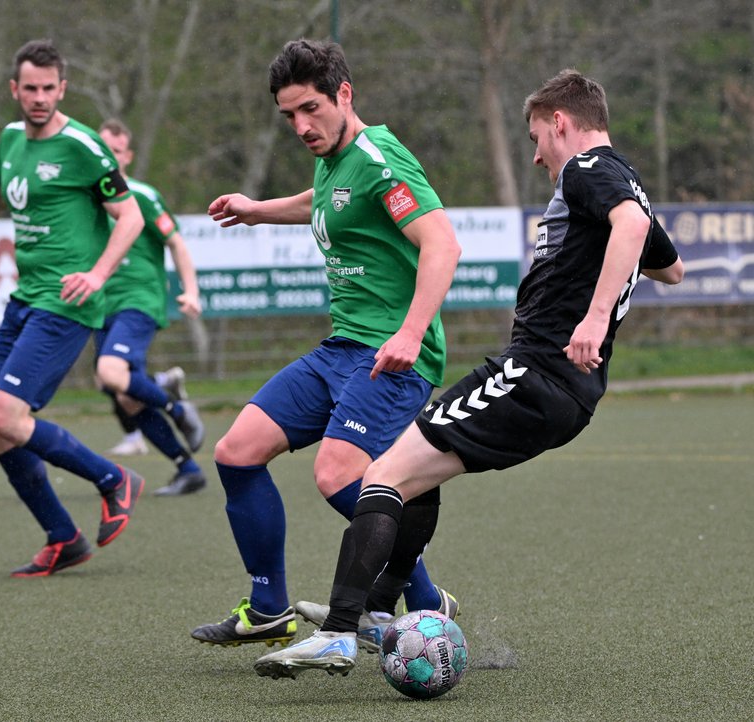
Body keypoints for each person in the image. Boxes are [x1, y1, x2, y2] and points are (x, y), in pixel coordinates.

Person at [253, 68, 686, 679]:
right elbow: (671, 269)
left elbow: (633, 228)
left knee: (382, 475)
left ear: (561, 123)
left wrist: (592, 318)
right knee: (415, 476)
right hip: (571, 392)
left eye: (536, 138)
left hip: (535, 373)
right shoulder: (628, 181)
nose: (536, 155)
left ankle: (339, 632)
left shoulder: (586, 169)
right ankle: (377, 609)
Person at [190, 38, 462, 650]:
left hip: (391, 356)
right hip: (341, 349)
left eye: (310, 109)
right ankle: (269, 609)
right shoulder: (333, 157)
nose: (301, 126)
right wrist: (258, 210)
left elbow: (442, 244)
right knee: (236, 453)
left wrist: (411, 332)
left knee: (337, 472)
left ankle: (419, 597)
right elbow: (326, 201)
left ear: (344, 94)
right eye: (289, 115)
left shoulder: (381, 159)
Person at [0, 39, 147, 577]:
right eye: (30, 88)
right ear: (14, 89)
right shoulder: (11, 138)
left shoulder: (84, 146)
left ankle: (114, 479)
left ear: (62, 89)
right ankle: (63, 537)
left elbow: (130, 216)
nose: (39, 97)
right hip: (25, 298)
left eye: (49, 88)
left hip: (66, 303)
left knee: (5, 418)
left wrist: (97, 274)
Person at [94, 119, 207, 496]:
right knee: (123, 394)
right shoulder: (86, 198)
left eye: (115, 151)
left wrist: (191, 291)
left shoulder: (140, 195)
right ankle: (188, 469)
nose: (109, 157)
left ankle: (177, 408)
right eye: (102, 149)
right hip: (100, 304)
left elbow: (176, 243)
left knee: (110, 372)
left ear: (127, 156)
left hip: (138, 299)